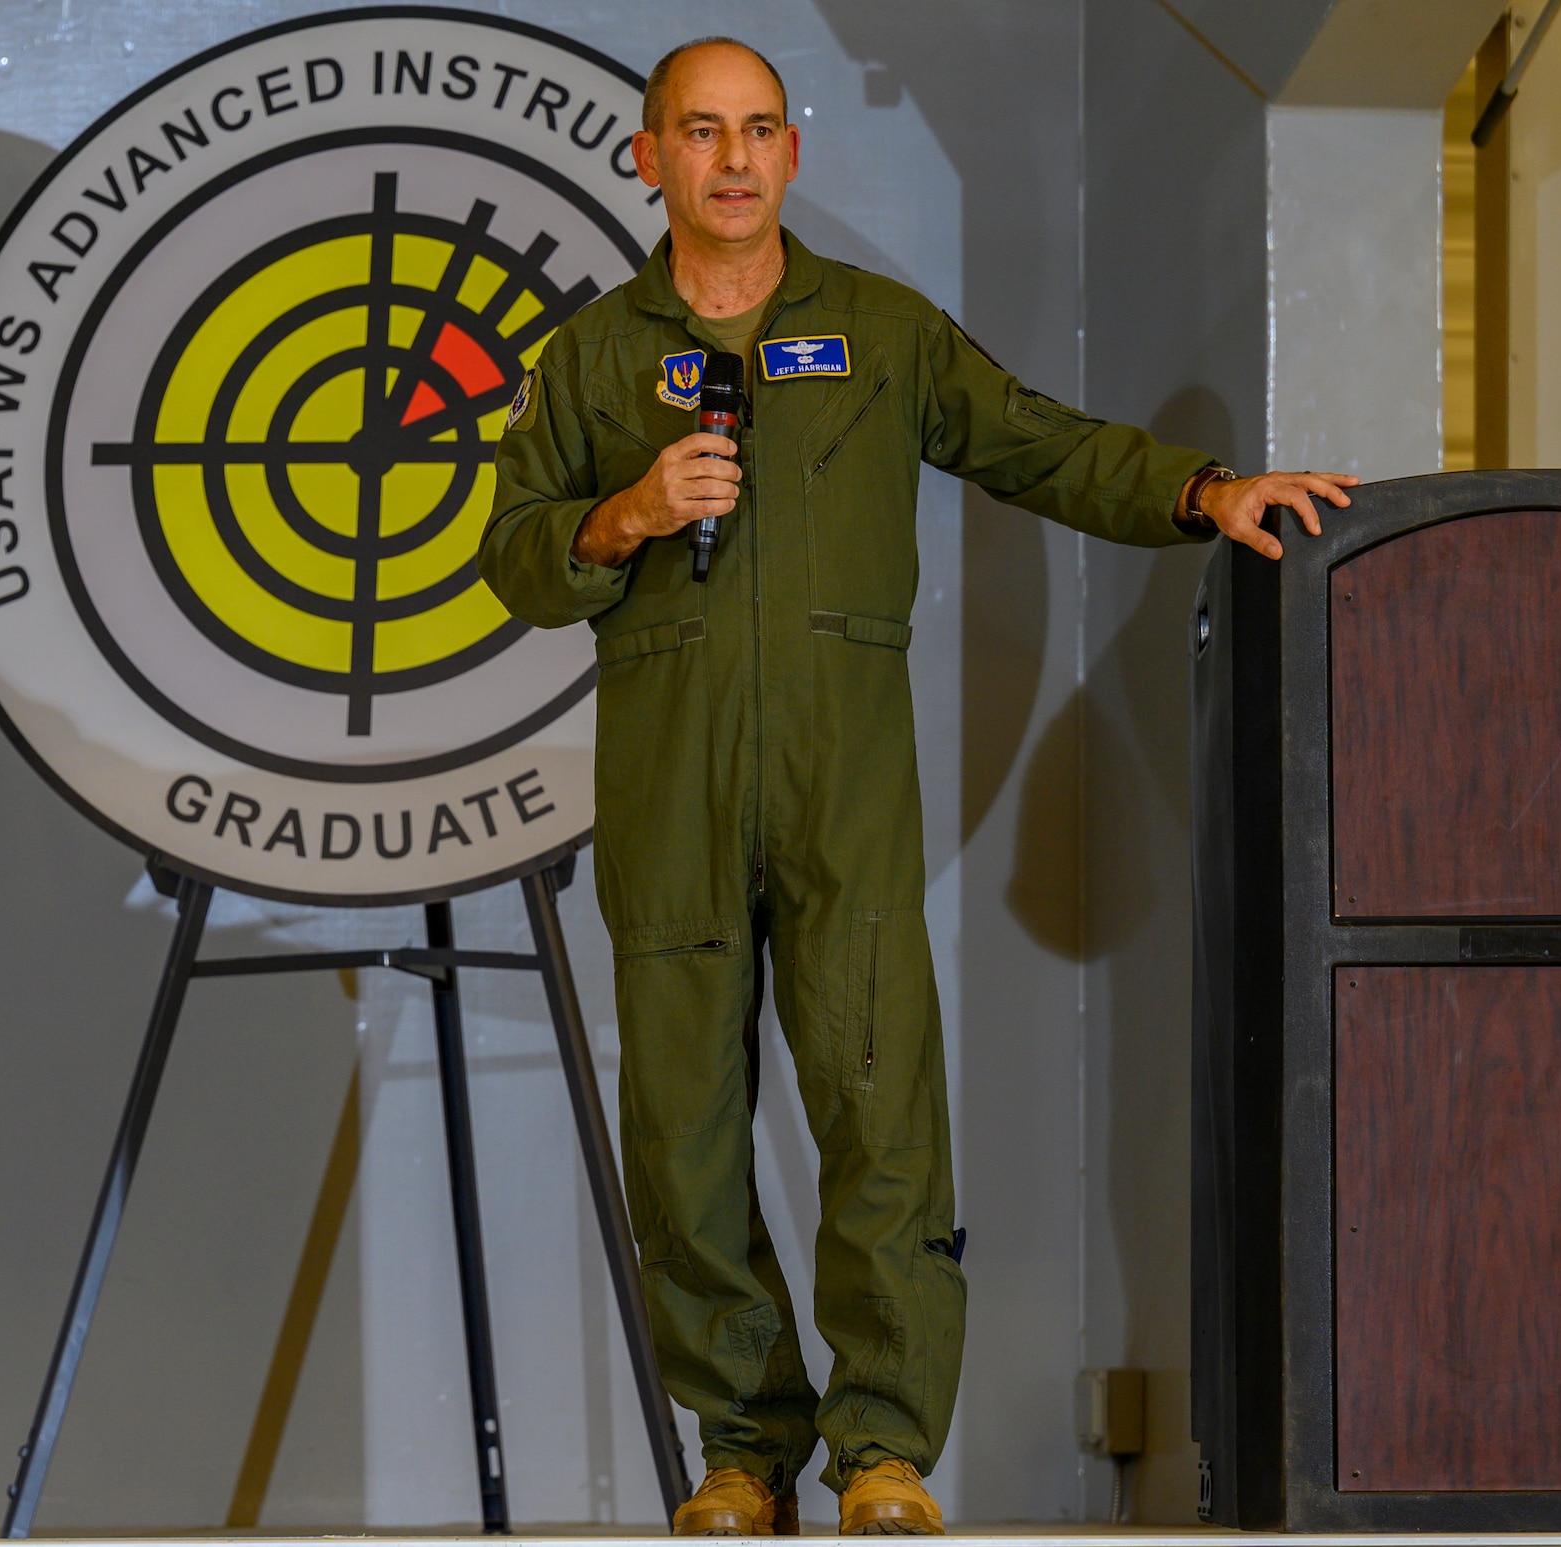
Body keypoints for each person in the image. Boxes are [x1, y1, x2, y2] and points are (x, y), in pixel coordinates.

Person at [479, 35, 1355, 1538]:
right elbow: (512, 558)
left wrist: (1205, 492)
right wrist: (625, 511)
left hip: (845, 792)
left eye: (760, 130)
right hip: (670, 788)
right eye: (702, 131)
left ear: (792, 157)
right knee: (684, 1135)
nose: (736, 159)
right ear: (650, 158)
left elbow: (1033, 445)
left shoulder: (878, 333)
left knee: (882, 1115)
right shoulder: (598, 357)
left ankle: (882, 1451)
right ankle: (742, 1456)